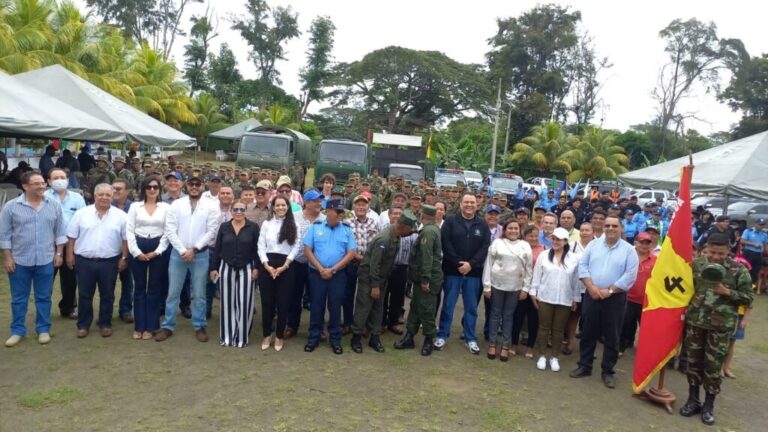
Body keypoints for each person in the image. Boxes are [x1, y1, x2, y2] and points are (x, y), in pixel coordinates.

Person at [679, 233, 753, 425]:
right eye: (712, 252)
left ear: (728, 251)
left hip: (719, 327)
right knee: (693, 363)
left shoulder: (738, 270)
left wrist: (727, 292)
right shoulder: (697, 266)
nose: (716, 257)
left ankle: (708, 405)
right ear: (707, 249)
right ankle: (693, 400)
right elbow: (684, 289)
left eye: (721, 253)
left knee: (712, 367)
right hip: (696, 323)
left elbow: (748, 297)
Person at [570, 216, 639, 389]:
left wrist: (609, 291)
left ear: (621, 228)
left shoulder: (629, 250)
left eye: (614, 225)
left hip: (614, 298)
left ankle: (608, 371)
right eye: (607, 225)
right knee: (587, 332)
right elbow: (583, 266)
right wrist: (592, 287)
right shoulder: (593, 245)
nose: (610, 228)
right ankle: (584, 366)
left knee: (612, 336)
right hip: (591, 295)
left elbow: (630, 275)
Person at [1, 172, 66, 347]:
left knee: (44, 297)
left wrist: (58, 253)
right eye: (36, 183)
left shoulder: (53, 205)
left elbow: (60, 232)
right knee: (19, 298)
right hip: (20, 260)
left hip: (46, 259)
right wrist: (7, 258)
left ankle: (43, 329)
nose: (42, 186)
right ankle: (17, 331)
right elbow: (4, 235)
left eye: (43, 183)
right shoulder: (11, 207)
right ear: (25, 186)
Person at [155, 176, 220, 343]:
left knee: (199, 293)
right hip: (178, 254)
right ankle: (168, 325)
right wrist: (184, 250)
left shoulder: (211, 206)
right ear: (186, 185)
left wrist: (195, 249)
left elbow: (212, 231)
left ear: (202, 186)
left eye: (198, 184)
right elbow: (170, 229)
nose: (194, 187)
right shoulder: (177, 204)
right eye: (191, 184)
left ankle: (199, 325)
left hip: (201, 255)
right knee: (173, 292)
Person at [66, 183, 128, 338]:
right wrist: (69, 255)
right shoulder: (82, 213)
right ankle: (83, 325)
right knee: (85, 294)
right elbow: (71, 237)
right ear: (95, 196)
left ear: (112, 197)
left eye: (108, 195)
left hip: (110, 261)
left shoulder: (121, 216)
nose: (104, 198)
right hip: (84, 261)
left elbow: (125, 240)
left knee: (107, 294)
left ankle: (105, 323)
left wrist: (124, 258)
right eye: (101, 194)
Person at [350, 212, 417, 353]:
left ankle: (375, 337)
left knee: (378, 308)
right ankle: (356, 337)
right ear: (404, 227)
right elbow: (375, 264)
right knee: (364, 306)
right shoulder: (384, 239)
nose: (411, 231)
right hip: (370, 278)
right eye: (410, 228)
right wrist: (374, 286)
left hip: (381, 278)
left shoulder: (396, 235)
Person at [435, 193, 491, 354]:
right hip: (452, 270)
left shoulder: (482, 224)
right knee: (448, 305)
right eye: (466, 202)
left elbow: (485, 246)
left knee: (471, 307)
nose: (469, 205)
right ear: (460, 204)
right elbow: (446, 243)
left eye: (472, 202)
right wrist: (459, 263)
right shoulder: (451, 221)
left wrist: (471, 264)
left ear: (477, 205)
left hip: (473, 273)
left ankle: (470, 338)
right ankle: (442, 335)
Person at [303, 199, 357, 354]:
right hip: (317, 274)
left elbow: (351, 253)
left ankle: (335, 339)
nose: (341, 215)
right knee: (316, 306)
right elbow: (307, 250)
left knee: (335, 307)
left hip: (338, 275)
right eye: (338, 212)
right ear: (328, 212)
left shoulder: (346, 229)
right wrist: (321, 269)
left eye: (342, 212)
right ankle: (313, 337)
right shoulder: (316, 227)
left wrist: (332, 270)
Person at [527, 227, 580, 372]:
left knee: (558, 330)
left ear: (565, 241)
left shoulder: (574, 258)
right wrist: (533, 292)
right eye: (554, 239)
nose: (556, 242)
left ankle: (554, 357)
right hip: (545, 296)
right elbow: (537, 276)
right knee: (543, 327)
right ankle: (542, 355)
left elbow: (576, 281)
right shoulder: (544, 255)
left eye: (559, 239)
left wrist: (576, 298)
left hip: (565, 299)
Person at [210, 200, 260, 348]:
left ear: (246, 211)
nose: (239, 212)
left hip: (247, 267)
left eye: (242, 209)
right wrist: (213, 268)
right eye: (236, 209)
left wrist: (257, 268)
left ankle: (242, 337)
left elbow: (258, 249)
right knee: (227, 303)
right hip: (226, 267)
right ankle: (227, 336)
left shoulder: (253, 227)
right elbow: (217, 248)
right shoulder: (224, 227)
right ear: (231, 211)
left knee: (245, 303)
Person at [394, 205, 443, 356]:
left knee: (427, 309)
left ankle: (429, 339)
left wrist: (425, 279)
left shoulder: (428, 232)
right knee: (415, 307)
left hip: (426, 278)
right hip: (421, 278)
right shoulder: (432, 229)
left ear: (422, 215)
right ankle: (410, 336)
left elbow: (427, 257)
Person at [482, 218, 532, 362]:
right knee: (495, 314)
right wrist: (487, 285)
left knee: (509, 316)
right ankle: (492, 343)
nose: (513, 231)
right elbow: (488, 265)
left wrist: (525, 288)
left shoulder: (525, 245)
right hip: (497, 285)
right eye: (510, 228)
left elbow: (528, 269)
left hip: (515, 286)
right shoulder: (497, 243)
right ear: (505, 230)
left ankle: (505, 345)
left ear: (519, 230)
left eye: (516, 228)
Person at [126, 175, 169, 340]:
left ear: (159, 190)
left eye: (155, 187)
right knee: (139, 287)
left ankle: (151, 326)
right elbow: (129, 230)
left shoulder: (165, 207)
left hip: (158, 246)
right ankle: (139, 326)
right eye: (149, 187)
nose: (152, 190)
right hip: (138, 245)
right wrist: (136, 252)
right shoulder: (135, 207)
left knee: (154, 288)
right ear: (144, 189)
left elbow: (168, 231)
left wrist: (158, 251)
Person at [257, 196, 300, 351]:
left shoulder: (294, 225)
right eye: (278, 205)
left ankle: (279, 336)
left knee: (283, 303)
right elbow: (261, 246)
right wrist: (266, 265)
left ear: (288, 207)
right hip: (267, 264)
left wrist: (285, 265)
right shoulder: (266, 224)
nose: (281, 207)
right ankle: (267, 335)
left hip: (286, 266)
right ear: (273, 207)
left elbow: (296, 247)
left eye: (284, 205)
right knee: (267, 302)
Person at [44, 168, 86, 320]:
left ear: (68, 180)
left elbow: (82, 220)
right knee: (47, 277)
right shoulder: (44, 197)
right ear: (48, 181)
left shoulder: (77, 198)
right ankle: (44, 309)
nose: (60, 180)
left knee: (70, 278)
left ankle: (68, 307)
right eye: (55, 178)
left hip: (71, 243)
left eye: (62, 177)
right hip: (48, 243)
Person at [343, 195, 380, 334]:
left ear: (368, 207)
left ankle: (361, 323)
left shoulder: (373, 223)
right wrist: (356, 256)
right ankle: (347, 322)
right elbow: (344, 244)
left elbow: (376, 244)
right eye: (358, 204)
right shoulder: (347, 223)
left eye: (364, 205)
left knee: (364, 296)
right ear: (353, 207)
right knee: (348, 294)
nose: (361, 207)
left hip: (367, 265)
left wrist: (368, 260)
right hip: (351, 263)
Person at [619, 232, 657, 353]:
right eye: (642, 242)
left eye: (647, 243)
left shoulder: (656, 260)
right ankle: (621, 347)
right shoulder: (626, 256)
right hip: (628, 298)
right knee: (625, 324)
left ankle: (645, 351)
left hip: (646, 300)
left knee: (645, 327)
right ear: (635, 243)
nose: (644, 245)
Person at [511, 226, 545, 358]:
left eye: (536, 236)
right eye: (530, 235)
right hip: (518, 288)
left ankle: (530, 347)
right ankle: (513, 344)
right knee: (517, 317)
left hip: (535, 290)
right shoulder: (519, 248)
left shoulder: (543, 250)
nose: (534, 238)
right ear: (524, 237)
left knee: (533, 319)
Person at [111, 179, 135, 323]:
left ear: (127, 191)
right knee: (108, 284)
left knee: (128, 282)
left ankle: (125, 310)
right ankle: (106, 311)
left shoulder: (134, 207)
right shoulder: (106, 205)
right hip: (110, 251)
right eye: (113, 188)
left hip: (129, 251)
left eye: (119, 189)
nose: (116, 191)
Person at [739, 218, 767, 286]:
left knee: (755, 272)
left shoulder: (764, 234)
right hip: (749, 253)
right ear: (755, 224)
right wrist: (753, 244)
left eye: (762, 225)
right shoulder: (748, 231)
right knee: (745, 270)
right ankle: (742, 285)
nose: (761, 226)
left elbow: (765, 244)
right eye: (760, 224)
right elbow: (742, 241)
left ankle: (751, 286)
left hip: (758, 255)